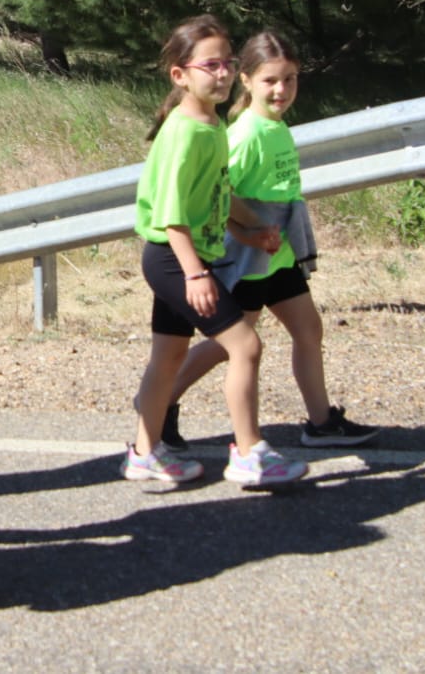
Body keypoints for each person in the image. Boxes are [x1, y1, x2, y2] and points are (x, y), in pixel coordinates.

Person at [155, 32, 378, 451]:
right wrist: (251, 231)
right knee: (233, 345)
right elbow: (221, 194)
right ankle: (160, 402)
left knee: (309, 329)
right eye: (270, 81)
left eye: (290, 79)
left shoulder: (276, 127)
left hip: (279, 255)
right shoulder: (246, 134)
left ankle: (321, 423)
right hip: (250, 258)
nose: (281, 90)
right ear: (247, 80)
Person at [126, 15, 308, 488]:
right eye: (211, 65)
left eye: (227, 63)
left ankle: (144, 452)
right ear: (180, 74)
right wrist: (195, 273)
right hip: (173, 258)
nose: (223, 73)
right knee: (245, 345)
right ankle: (249, 454)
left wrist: (247, 235)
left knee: (167, 358)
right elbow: (171, 215)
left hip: (180, 257)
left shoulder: (210, 125)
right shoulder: (186, 132)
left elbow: (212, 197)